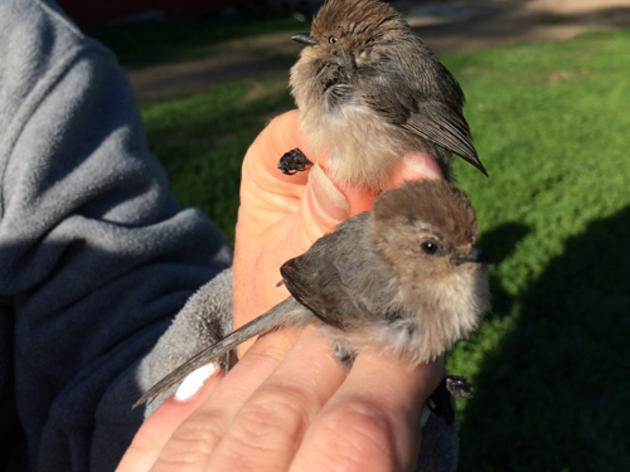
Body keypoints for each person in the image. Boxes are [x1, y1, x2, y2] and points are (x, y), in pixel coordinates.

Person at [0, 1, 457, 470]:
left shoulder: (371, 73)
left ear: (350, 44)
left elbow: (428, 130)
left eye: (328, 41)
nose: (314, 47)